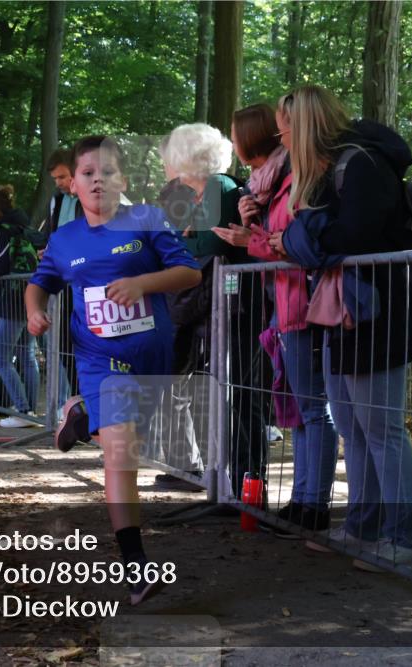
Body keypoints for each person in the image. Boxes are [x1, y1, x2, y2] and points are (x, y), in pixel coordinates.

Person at [26, 135, 201, 605]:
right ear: (74, 185)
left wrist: (143, 281)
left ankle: (83, 417)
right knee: (121, 451)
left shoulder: (148, 220)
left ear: (122, 179)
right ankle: (136, 566)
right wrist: (34, 311)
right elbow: (38, 284)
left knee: (131, 444)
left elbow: (190, 273)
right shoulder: (63, 240)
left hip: (152, 355)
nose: (97, 179)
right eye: (87, 173)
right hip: (99, 357)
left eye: (107, 171)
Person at [274, 85, 412, 569]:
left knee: (380, 426)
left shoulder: (361, 164)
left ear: (304, 126)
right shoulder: (333, 168)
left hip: (374, 310)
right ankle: (362, 527)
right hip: (343, 312)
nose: (282, 138)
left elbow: (350, 236)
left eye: (286, 129)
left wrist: (302, 235)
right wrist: (306, 235)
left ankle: (403, 540)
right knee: (353, 426)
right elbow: (321, 235)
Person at [218, 101, 339, 534]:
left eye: (234, 135)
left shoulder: (296, 179)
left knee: (312, 410)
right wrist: (251, 224)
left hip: (303, 307)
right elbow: (275, 237)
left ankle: (315, 505)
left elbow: (290, 245)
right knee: (300, 410)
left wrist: (248, 240)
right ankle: (302, 501)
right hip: (283, 309)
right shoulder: (267, 187)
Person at [154, 122, 243, 492]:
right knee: (177, 383)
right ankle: (187, 465)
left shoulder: (219, 187)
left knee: (203, 385)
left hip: (210, 303)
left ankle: (209, 469)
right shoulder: (187, 194)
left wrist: (180, 242)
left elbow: (211, 245)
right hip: (192, 302)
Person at [0, 185, 40, 428]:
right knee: (26, 354)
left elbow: (1, 266)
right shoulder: (25, 227)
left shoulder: (3, 231)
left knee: (0, 356)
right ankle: (29, 409)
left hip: (13, 299)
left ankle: (23, 410)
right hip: (33, 296)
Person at [44, 149, 81, 235]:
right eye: (54, 178)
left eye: (62, 177)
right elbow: (48, 234)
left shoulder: (93, 200)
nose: (58, 184)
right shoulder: (56, 200)